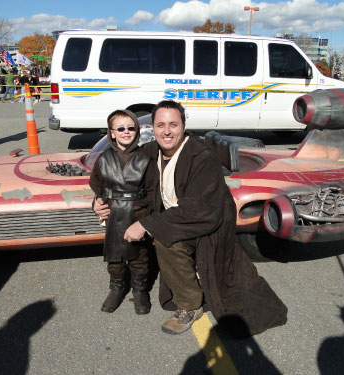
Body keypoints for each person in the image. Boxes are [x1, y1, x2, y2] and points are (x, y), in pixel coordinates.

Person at [96, 101, 287, 336]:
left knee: (168, 240)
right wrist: (99, 200)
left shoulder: (201, 157)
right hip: (178, 218)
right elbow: (119, 176)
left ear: (184, 126)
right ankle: (183, 287)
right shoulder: (151, 151)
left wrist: (146, 223)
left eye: (173, 124)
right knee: (160, 232)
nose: (167, 131)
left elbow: (199, 209)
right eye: (160, 125)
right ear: (153, 128)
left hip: (207, 223)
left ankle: (190, 305)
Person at [89, 109, 155, 315]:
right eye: (120, 128)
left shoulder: (146, 158)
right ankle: (116, 288)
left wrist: (145, 219)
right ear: (112, 132)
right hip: (113, 212)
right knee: (114, 254)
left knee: (139, 255)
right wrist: (96, 202)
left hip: (138, 213)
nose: (126, 132)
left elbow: (153, 190)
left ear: (137, 131)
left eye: (131, 128)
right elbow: (96, 185)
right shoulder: (103, 159)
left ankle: (140, 290)